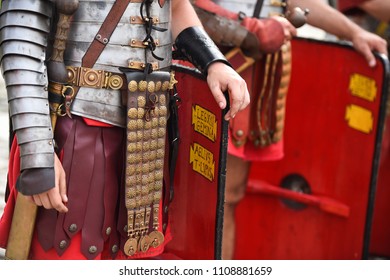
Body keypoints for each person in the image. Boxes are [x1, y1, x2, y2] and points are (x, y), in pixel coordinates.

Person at [0, 0, 250, 260]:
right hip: (72, 136)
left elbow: (175, 7)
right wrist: (39, 157)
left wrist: (213, 61)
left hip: (146, 137)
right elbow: (21, 45)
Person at [191, 0, 388, 260]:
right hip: (207, 69)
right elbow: (184, 7)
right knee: (200, 198)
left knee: (227, 197)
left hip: (249, 78)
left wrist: (354, 33)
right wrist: (251, 30)